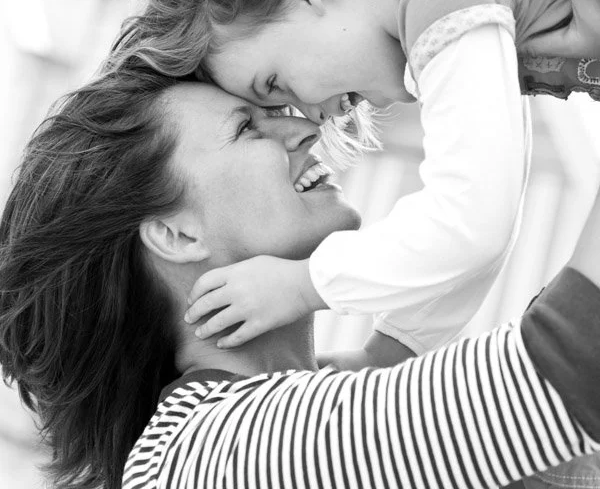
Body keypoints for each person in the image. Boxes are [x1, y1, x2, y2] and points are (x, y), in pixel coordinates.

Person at [1, 61, 600, 489]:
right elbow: (571, 364)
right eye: (247, 129)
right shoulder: (210, 454)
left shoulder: (304, 413)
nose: (304, 129)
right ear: (177, 235)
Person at [112, 0, 600, 361]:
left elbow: (474, 215)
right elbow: (494, 201)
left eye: (275, 83)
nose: (312, 115)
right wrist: (396, 348)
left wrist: (304, 284)